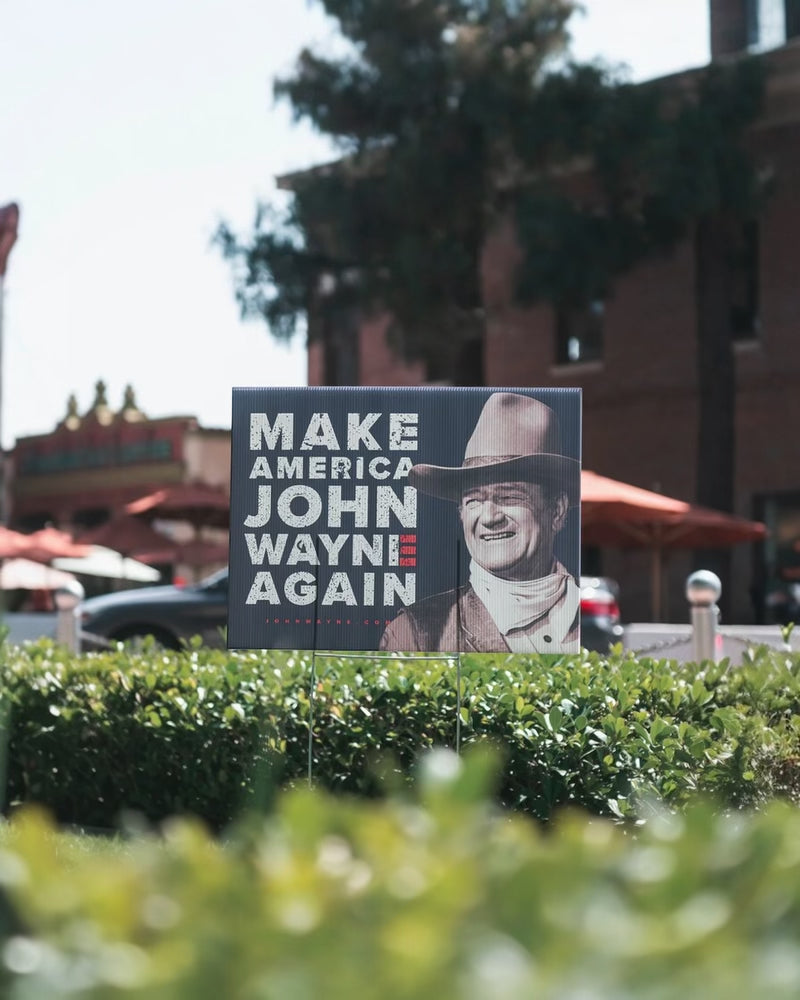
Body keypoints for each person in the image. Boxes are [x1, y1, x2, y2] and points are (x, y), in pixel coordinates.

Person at [380, 391, 580, 653]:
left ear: (557, 510)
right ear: (461, 511)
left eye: (509, 496)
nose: (489, 517)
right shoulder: (417, 634)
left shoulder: (593, 619)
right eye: (474, 500)